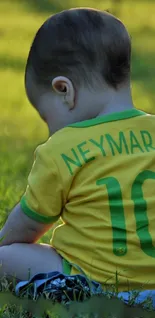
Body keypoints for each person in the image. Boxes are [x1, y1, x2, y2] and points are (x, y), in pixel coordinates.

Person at [0, 7, 155, 292]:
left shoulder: (61, 149)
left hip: (93, 281)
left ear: (64, 91)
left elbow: (26, 225)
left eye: (47, 117)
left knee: (5, 257)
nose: (50, 130)